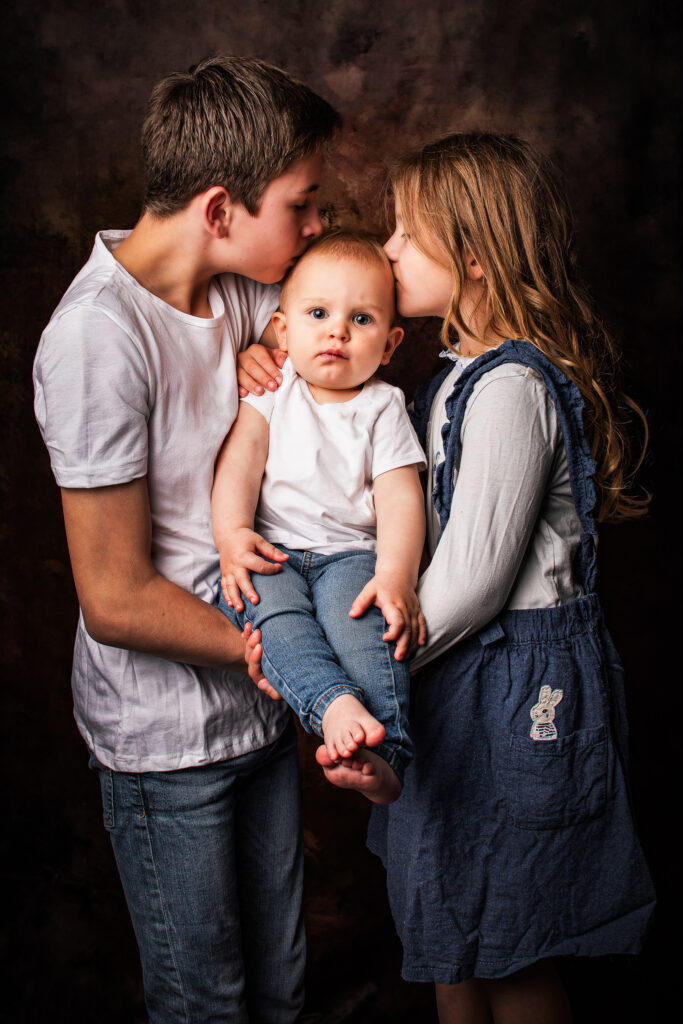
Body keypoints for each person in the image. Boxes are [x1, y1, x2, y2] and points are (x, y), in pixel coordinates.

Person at [319, 133, 655, 1022]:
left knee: (510, 937)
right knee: (449, 928)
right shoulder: (450, 378)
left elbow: (468, 584)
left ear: (470, 257)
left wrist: (355, 672)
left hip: (513, 694)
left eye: (405, 234)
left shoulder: (511, 389)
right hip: (453, 683)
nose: (386, 250)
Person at [33, 55, 340, 1023]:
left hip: (254, 719)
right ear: (218, 209)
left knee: (283, 990)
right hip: (166, 742)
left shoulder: (243, 291)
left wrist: (280, 349)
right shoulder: (97, 338)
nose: (317, 227)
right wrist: (281, 658)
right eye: (302, 206)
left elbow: (350, 321)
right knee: (208, 1004)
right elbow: (114, 595)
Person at [212, 230, 427, 806]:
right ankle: (333, 704)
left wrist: (396, 575)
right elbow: (240, 465)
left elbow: (400, 496)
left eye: (361, 319)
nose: (337, 331)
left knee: (365, 628)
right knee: (262, 613)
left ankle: (384, 756)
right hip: (272, 550)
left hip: (350, 557)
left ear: (388, 344)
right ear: (282, 329)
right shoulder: (273, 389)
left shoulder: (383, 405)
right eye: (318, 313)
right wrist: (232, 536)